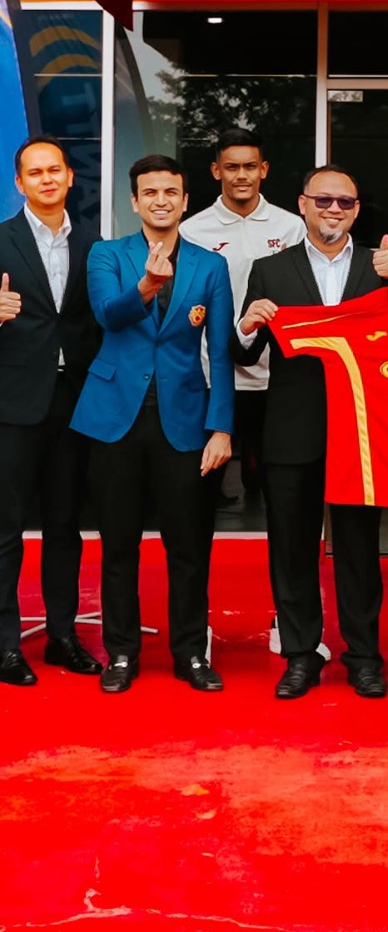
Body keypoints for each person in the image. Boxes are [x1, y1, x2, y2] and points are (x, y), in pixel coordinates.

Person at [233, 164, 388, 700]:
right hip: (291, 428)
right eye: (323, 200)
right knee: (291, 548)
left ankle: (365, 657)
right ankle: (300, 655)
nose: (333, 210)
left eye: (345, 202)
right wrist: (247, 325)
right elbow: (245, 354)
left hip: (363, 433)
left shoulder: (381, 268)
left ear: (356, 210)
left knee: (359, 549)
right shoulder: (269, 269)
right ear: (302, 204)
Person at [71, 154, 234, 694]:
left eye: (170, 192)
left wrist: (221, 428)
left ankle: (191, 653)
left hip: (184, 422)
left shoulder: (210, 266)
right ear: (134, 201)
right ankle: (121, 653)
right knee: (118, 546)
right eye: (150, 192)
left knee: (188, 548)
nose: (160, 200)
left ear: (185, 201)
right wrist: (145, 285)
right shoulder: (107, 254)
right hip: (113, 420)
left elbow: (220, 352)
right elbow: (107, 316)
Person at [0, 137, 101, 686]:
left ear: (69, 177)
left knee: (65, 526)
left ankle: (63, 637)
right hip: (12, 403)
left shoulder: (93, 245)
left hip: (74, 400)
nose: (46, 179)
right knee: (5, 529)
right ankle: (5, 646)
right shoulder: (1, 240)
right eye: (35, 172)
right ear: (20, 183)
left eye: (54, 170)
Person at [180, 128, 305, 500]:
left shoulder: (291, 227)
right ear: (216, 170)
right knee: (203, 487)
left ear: (263, 169)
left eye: (250, 166)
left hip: (275, 376)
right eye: (232, 167)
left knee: (276, 489)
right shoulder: (192, 230)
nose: (241, 175)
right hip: (213, 374)